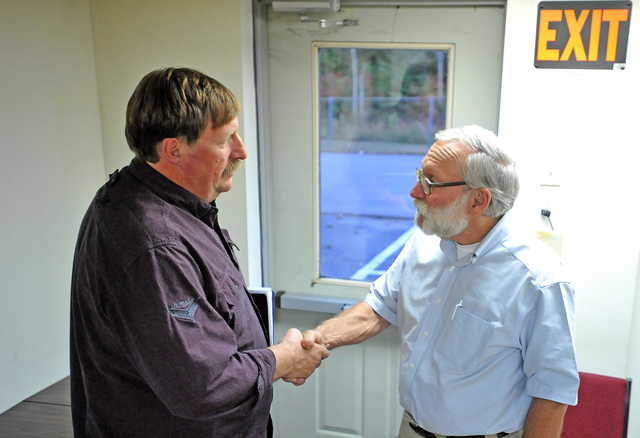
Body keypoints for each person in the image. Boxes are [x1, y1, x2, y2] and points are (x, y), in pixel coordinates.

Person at [69, 67, 329, 438]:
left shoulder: (165, 205)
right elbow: (201, 384)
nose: (242, 150)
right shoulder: (154, 245)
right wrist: (284, 359)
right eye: (226, 140)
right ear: (175, 148)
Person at [296, 125, 579, 438]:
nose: (415, 193)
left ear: (478, 200)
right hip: (412, 427)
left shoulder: (539, 280)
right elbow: (376, 310)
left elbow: (552, 393)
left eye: (430, 183)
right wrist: (316, 340)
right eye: (420, 177)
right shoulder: (425, 242)